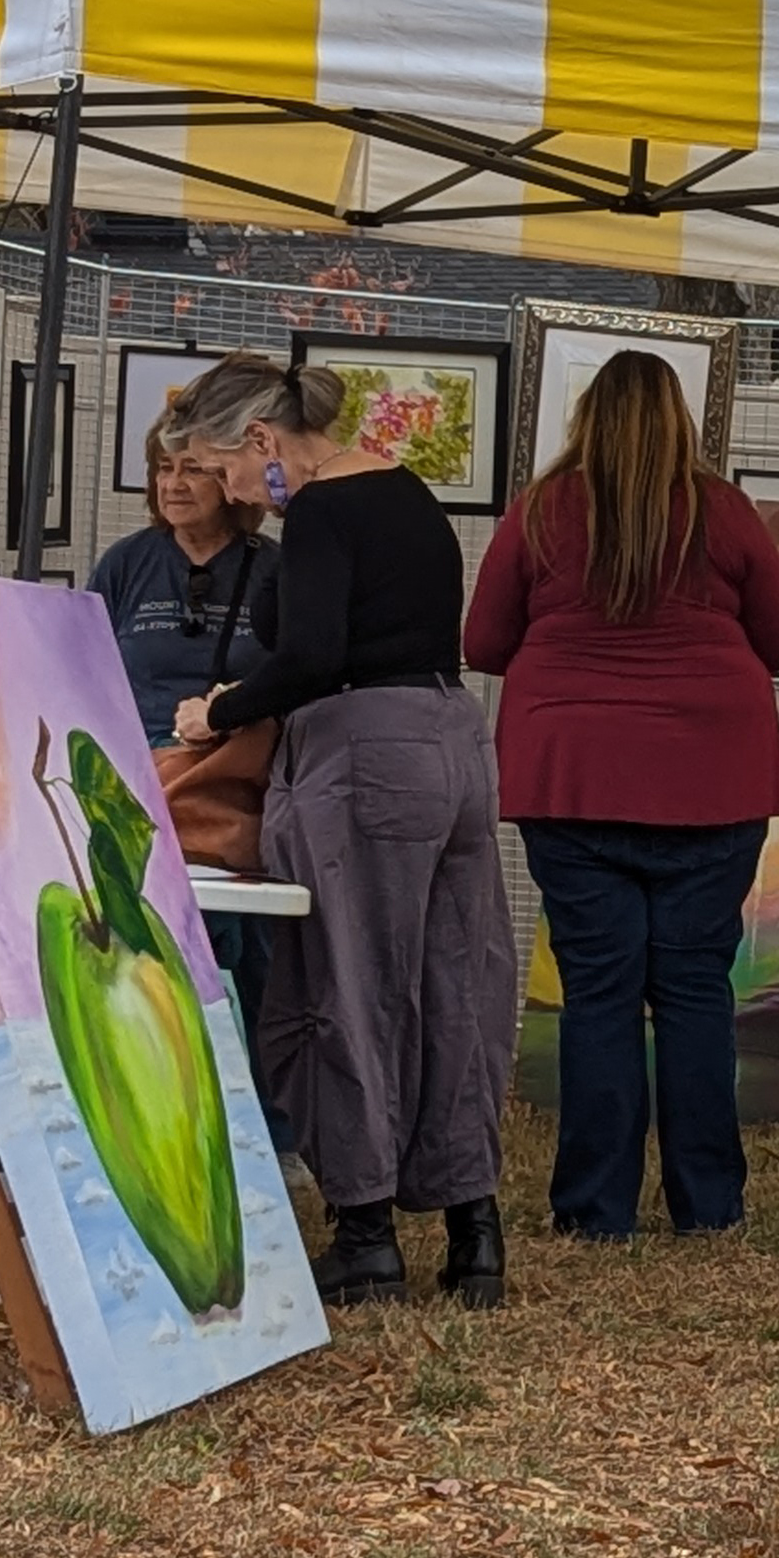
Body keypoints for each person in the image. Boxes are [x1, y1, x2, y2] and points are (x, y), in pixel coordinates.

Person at [166, 351, 511, 1310]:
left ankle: (364, 1228)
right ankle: (472, 1227)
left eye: (229, 474)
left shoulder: (319, 509)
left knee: (345, 986)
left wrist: (219, 713)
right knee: (456, 981)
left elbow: (312, 657)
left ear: (265, 442)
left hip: (363, 756)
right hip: (452, 743)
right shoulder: (407, 493)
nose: (237, 498)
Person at [465, 351, 779, 1243]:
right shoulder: (721, 509)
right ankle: (709, 1205)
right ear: (680, 419)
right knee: (696, 989)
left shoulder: (541, 510)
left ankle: (593, 1210)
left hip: (571, 772)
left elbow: (484, 642)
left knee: (600, 992)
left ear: (584, 418)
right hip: (713, 774)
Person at [93, 425, 282, 1058]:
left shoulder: (273, 569)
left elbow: (297, 672)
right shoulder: (127, 564)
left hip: (239, 782)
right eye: (163, 469)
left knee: (242, 952)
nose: (173, 484)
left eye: (193, 470)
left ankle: (260, 1129)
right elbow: (84, 670)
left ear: (228, 479)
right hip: (136, 782)